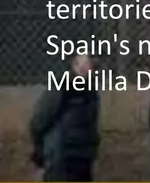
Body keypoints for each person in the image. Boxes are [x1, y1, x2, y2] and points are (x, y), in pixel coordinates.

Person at [28, 53, 99, 183]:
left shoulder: (90, 91)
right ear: (74, 65)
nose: (89, 68)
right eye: (85, 63)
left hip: (81, 157)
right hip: (61, 157)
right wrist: (40, 151)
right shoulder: (62, 86)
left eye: (90, 64)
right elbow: (40, 119)